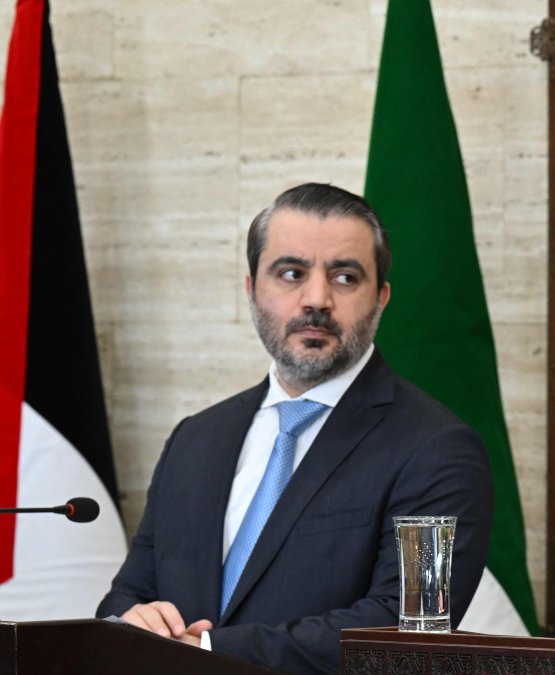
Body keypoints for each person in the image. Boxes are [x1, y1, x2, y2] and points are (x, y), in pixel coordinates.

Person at [97, 183, 493, 674]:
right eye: (291, 273)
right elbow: (128, 593)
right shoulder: (195, 439)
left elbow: (413, 627)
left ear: (382, 298)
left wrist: (210, 652)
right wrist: (131, 622)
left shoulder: (440, 451)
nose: (317, 299)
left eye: (345, 277)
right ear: (251, 289)